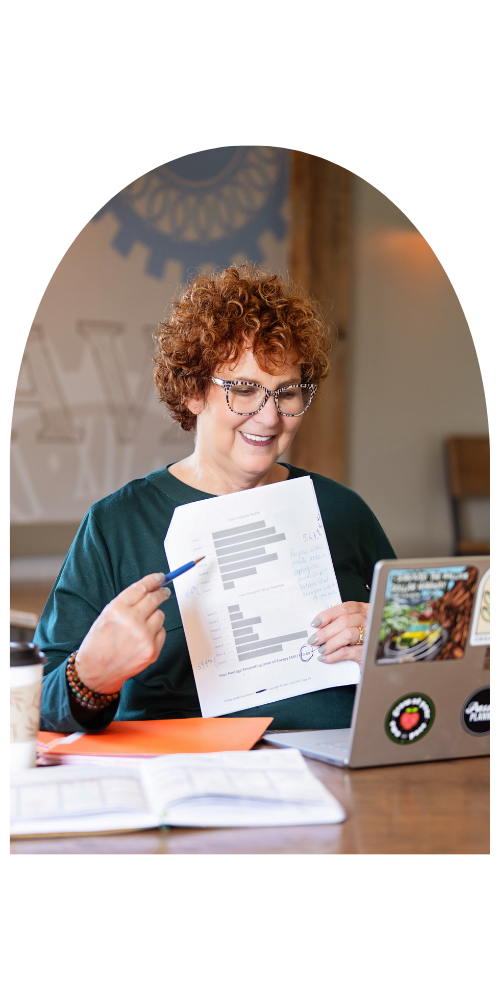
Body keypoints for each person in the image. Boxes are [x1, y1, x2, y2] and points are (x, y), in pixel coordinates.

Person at [36, 265, 395, 733]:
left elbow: (431, 663)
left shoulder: (343, 511)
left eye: (286, 393)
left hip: (338, 772)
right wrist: (91, 677)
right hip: (184, 777)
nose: (269, 418)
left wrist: (389, 644)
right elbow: (39, 703)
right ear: (192, 392)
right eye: (243, 390)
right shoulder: (116, 525)